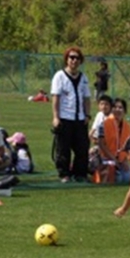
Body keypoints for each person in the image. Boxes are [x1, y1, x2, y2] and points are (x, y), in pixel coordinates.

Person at [51, 46, 92, 183]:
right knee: (63, 149)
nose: (74, 61)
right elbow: (55, 97)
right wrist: (56, 117)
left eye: (77, 58)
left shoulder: (83, 78)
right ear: (66, 59)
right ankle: (64, 174)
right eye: (71, 57)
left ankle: (79, 173)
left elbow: (86, 97)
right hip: (65, 117)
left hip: (80, 118)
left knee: (82, 147)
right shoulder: (59, 76)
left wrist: (87, 115)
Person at [97, 97, 130, 184]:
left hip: (120, 160)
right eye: (115, 107)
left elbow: (128, 146)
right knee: (118, 179)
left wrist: (124, 160)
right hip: (106, 159)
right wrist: (113, 158)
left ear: (125, 111)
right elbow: (101, 143)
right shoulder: (104, 124)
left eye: (120, 107)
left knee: (128, 178)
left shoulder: (127, 127)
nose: (118, 110)